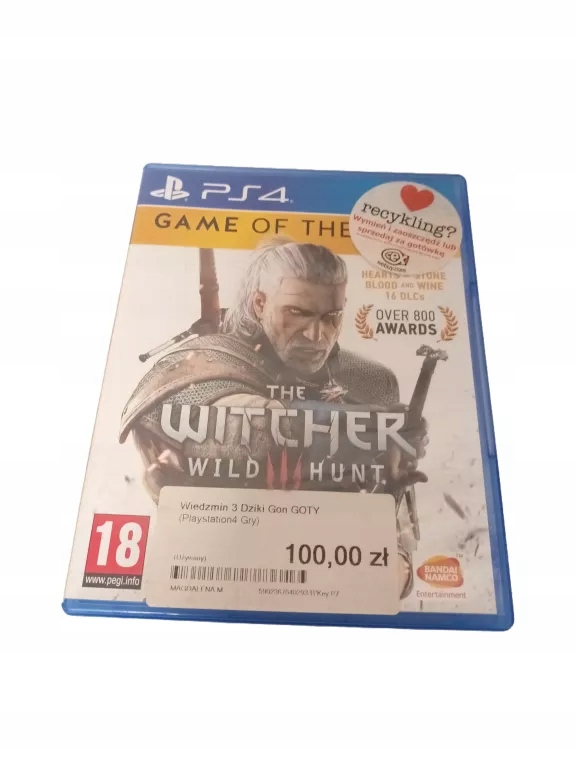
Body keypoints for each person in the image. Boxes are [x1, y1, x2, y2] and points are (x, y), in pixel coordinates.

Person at [120, 239, 429, 597]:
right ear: (259, 303)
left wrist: (391, 565)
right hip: (217, 574)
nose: (317, 336)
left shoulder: (370, 382)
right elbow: (250, 433)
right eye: (297, 313)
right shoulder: (203, 363)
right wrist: (371, 430)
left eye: (331, 317)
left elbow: (397, 561)